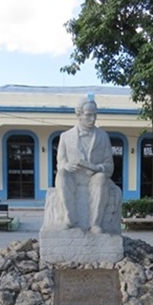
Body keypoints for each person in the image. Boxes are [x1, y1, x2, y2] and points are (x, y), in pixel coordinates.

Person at [55, 98, 114, 233]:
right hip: (73, 176)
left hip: (94, 177)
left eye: (95, 115)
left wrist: (98, 168)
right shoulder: (65, 136)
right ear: (79, 115)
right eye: (88, 115)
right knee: (62, 173)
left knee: (101, 178)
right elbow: (60, 162)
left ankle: (96, 223)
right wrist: (66, 166)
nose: (92, 119)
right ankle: (70, 218)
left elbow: (109, 165)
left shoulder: (103, 136)